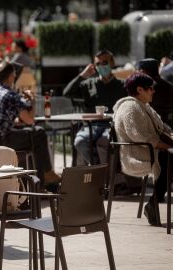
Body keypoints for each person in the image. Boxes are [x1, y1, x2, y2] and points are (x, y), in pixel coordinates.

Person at [0, 61, 60, 183]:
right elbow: (29, 120)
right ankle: (46, 175)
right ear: (12, 76)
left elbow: (2, 117)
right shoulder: (10, 95)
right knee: (38, 133)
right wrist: (32, 100)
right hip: (3, 140)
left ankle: (43, 179)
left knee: (33, 137)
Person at [113, 72, 173, 225]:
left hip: (152, 151)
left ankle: (153, 203)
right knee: (170, 159)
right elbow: (141, 137)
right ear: (140, 90)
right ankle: (153, 203)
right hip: (137, 155)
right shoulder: (130, 107)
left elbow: (163, 128)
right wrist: (168, 145)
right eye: (150, 88)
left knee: (169, 158)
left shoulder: (145, 106)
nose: (153, 91)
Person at [63, 50, 127, 165]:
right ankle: (100, 168)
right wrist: (82, 76)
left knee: (104, 142)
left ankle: (106, 173)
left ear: (112, 63)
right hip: (91, 125)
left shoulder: (122, 85)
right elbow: (67, 93)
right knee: (79, 142)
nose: (101, 66)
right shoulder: (88, 84)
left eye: (104, 62)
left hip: (112, 125)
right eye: (98, 63)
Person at [137, 58, 173, 123]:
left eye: (139, 71)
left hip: (153, 125)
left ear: (143, 71)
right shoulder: (168, 85)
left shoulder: (146, 88)